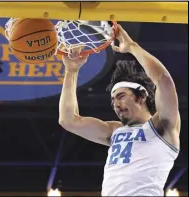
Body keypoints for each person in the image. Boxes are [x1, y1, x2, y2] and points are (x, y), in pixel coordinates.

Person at [58, 24, 180, 196]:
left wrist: (132, 47)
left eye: (121, 96)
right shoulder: (114, 131)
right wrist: (71, 72)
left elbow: (164, 80)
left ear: (142, 97)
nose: (115, 103)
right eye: (113, 99)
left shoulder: (163, 127)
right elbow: (68, 120)